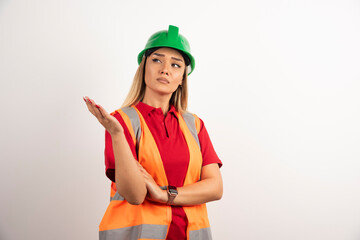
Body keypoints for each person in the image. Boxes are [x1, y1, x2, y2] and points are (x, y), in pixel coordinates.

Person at [84, 25, 223, 240]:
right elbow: (135, 194)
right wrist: (117, 134)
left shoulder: (195, 125)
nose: (165, 69)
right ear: (143, 67)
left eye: (175, 65)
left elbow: (215, 188)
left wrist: (163, 194)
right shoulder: (120, 122)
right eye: (157, 60)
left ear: (182, 79)